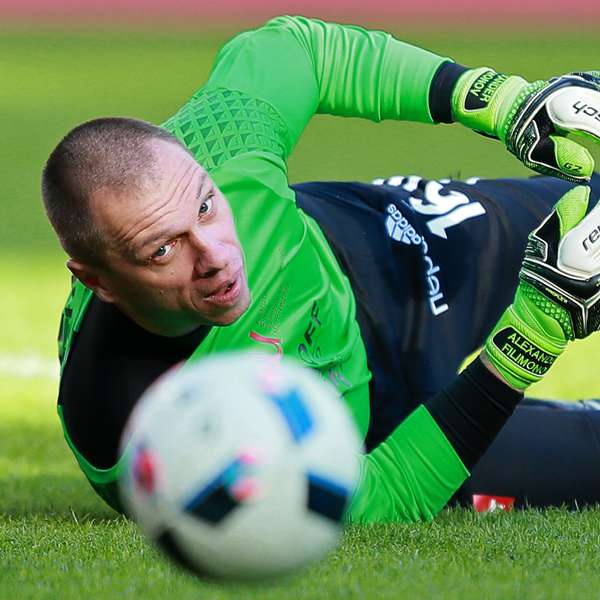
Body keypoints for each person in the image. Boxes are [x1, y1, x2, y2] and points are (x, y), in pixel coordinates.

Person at [41, 16, 600, 520]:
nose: (215, 256)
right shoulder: (160, 433)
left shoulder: (213, 149)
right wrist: (533, 334)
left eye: (207, 207)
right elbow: (387, 492)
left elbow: (298, 49)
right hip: (377, 439)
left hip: (383, 254)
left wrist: (498, 100)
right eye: (164, 250)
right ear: (97, 281)